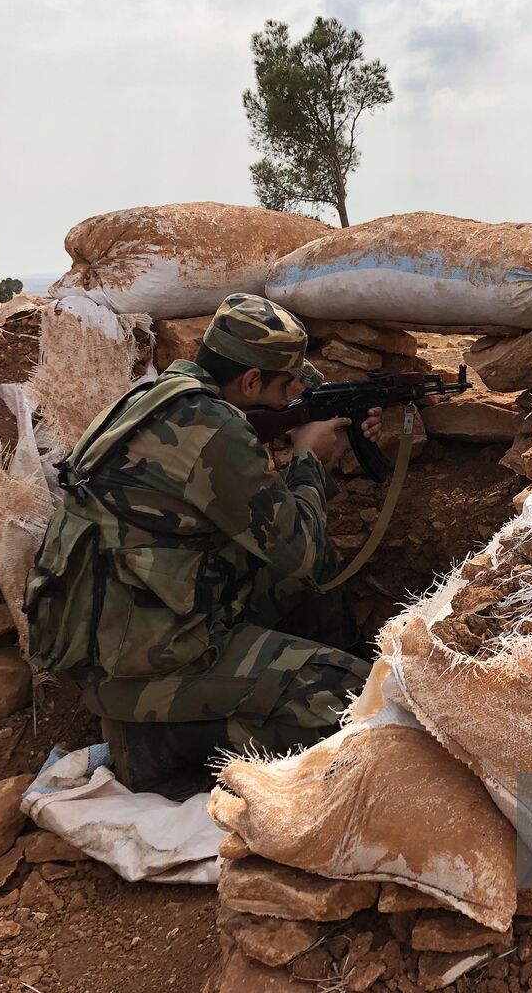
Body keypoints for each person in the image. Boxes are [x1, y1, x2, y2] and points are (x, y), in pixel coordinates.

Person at [24, 293, 380, 798]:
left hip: (124, 630)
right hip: (146, 663)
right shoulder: (214, 427)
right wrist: (307, 459)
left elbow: (264, 528)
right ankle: (164, 746)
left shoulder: (157, 398)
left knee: (302, 588)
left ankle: (267, 679)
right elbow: (302, 551)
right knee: (352, 696)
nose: (289, 401)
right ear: (252, 382)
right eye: (286, 387)